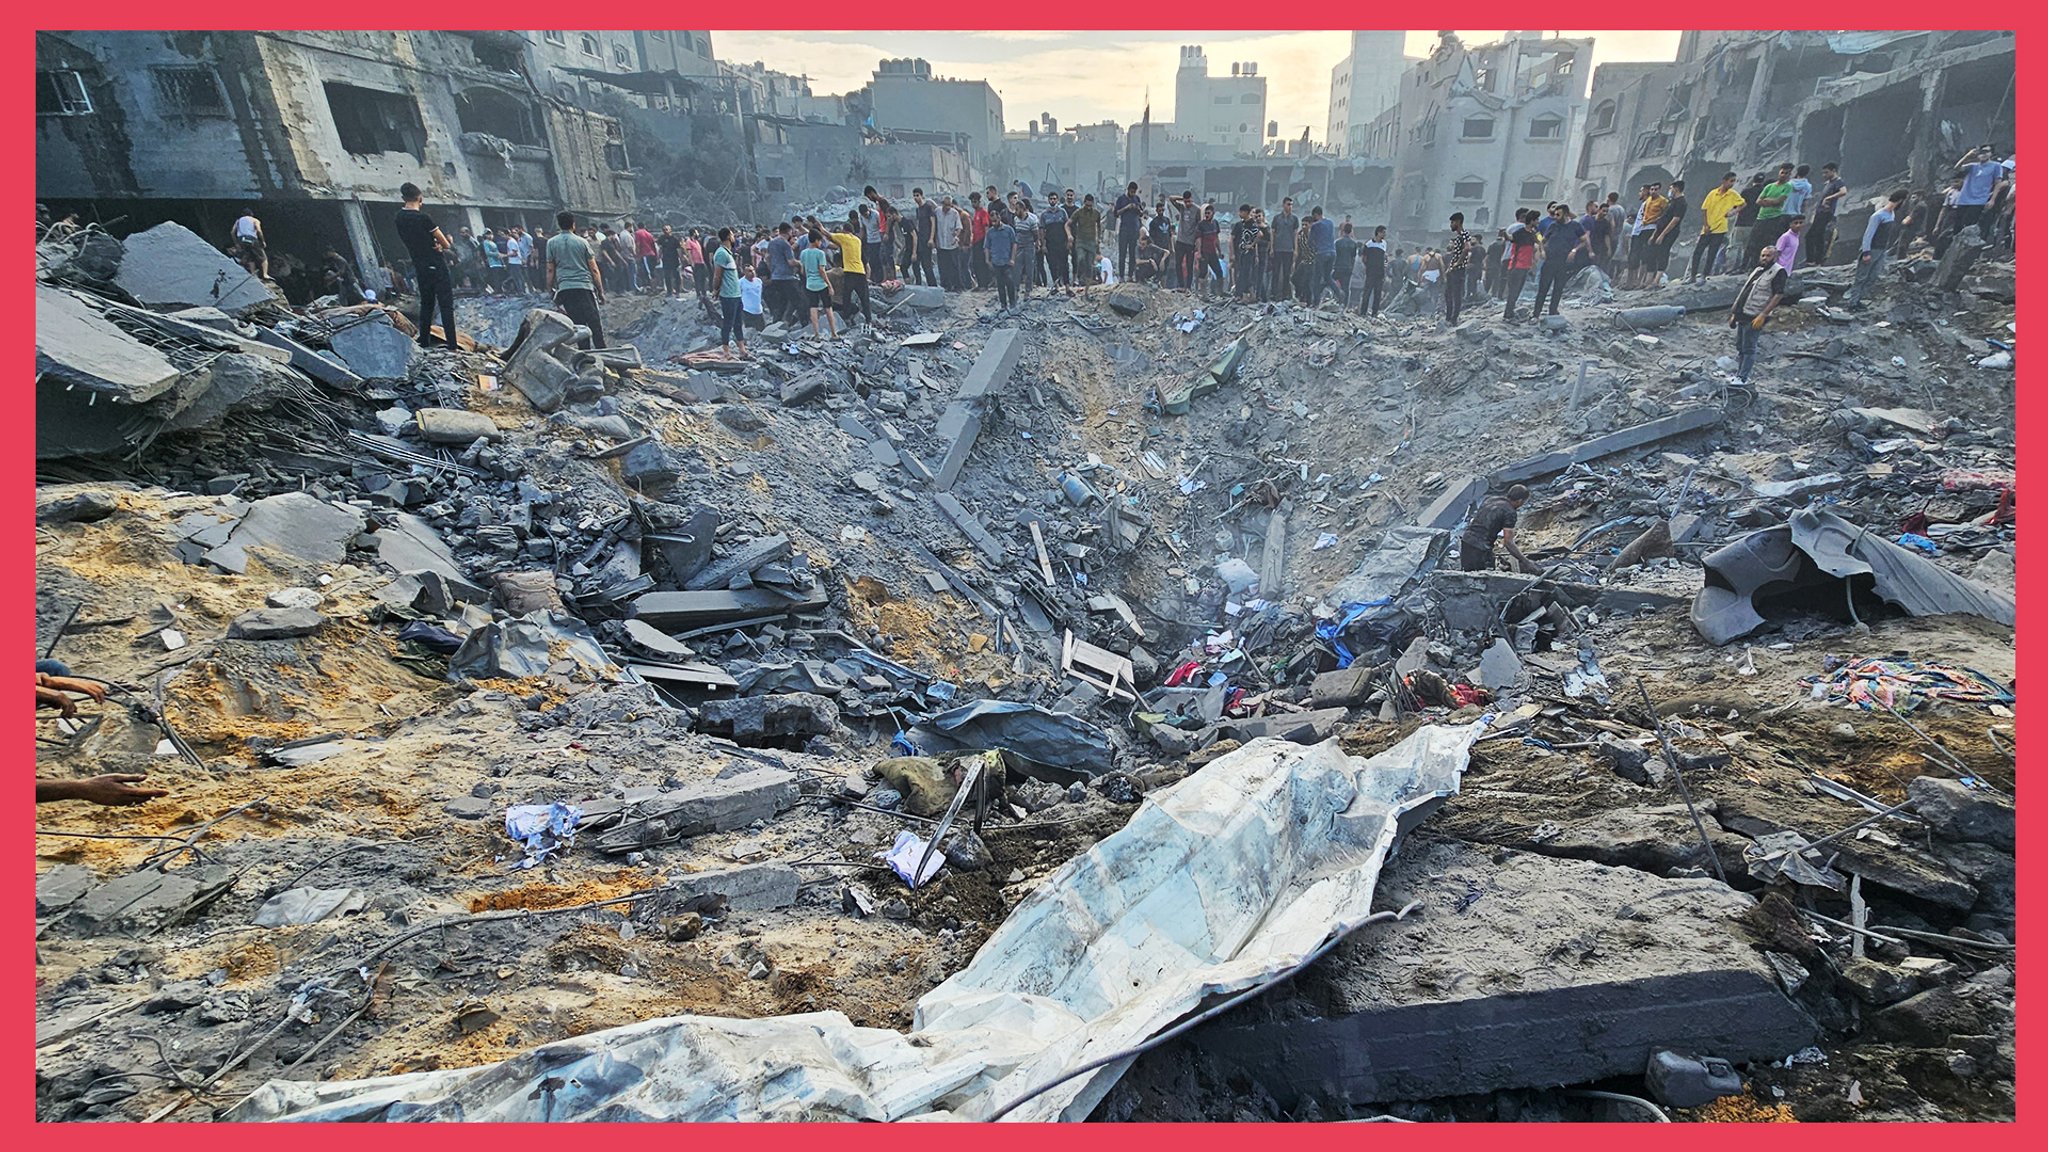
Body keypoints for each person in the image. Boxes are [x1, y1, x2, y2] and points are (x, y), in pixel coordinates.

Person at [395, 183, 457, 350]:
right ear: (420, 198)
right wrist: (439, 245)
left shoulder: (399, 218)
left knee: (426, 303)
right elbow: (445, 244)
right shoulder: (424, 218)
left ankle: (424, 340)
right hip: (436, 263)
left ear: (403, 198)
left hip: (420, 265)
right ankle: (452, 344)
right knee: (446, 304)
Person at [545, 209, 606, 350]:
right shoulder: (582, 242)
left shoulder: (551, 243)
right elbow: (594, 269)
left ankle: (584, 353)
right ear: (573, 224)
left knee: (578, 324)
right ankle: (603, 351)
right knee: (594, 323)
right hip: (584, 287)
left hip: (566, 289)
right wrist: (600, 291)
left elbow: (550, 269)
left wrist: (550, 289)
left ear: (559, 225)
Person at [1730, 245, 1787, 383]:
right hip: (1743, 313)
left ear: (1775, 257)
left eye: (1768, 256)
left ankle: (1743, 377)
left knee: (1749, 348)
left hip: (1755, 315)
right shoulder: (1758, 270)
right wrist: (1734, 313)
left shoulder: (1778, 272)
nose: (1764, 258)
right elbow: (1746, 291)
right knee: (1740, 347)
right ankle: (1738, 374)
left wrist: (1763, 314)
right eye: (1763, 255)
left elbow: (1778, 295)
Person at [1845, 189, 1907, 309]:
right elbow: (1868, 235)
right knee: (1861, 277)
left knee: (1873, 276)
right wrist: (1866, 252)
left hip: (1881, 249)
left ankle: (1859, 300)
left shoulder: (1891, 214)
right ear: (1900, 201)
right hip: (1872, 249)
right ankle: (1852, 303)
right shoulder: (1878, 216)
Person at [1460, 485, 1537, 573]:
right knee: (1481, 578)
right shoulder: (1510, 512)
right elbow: (1508, 542)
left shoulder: (1491, 499)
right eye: (1523, 502)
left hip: (1466, 540)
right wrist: (1525, 561)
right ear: (1519, 501)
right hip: (1480, 548)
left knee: (1467, 575)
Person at [1688, 173, 1744, 284]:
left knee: (1712, 253)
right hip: (1708, 227)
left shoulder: (1733, 194)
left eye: (1734, 181)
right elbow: (1704, 210)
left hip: (1721, 228)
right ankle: (1692, 276)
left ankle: (1704, 275)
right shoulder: (1713, 193)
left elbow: (1742, 204)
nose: (1732, 184)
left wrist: (1733, 212)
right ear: (1724, 181)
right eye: (1731, 181)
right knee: (1698, 252)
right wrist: (1705, 225)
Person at [1535, 204, 1584, 317]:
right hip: (1550, 260)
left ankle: (1553, 311)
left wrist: (1574, 250)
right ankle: (1536, 314)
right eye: (1555, 214)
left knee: (1558, 288)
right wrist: (1542, 250)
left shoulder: (1575, 226)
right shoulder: (1553, 225)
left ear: (1565, 214)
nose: (1556, 216)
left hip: (1564, 261)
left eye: (1558, 214)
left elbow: (1584, 240)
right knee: (1543, 288)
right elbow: (1541, 239)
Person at [709, 226, 747, 357]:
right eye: (732, 235)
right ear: (728, 237)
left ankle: (742, 350)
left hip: (736, 293)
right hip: (728, 294)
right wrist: (716, 289)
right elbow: (717, 275)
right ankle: (726, 351)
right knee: (728, 323)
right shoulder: (721, 253)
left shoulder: (728, 253)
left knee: (738, 323)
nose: (734, 237)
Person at [798, 227, 838, 340]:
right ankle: (834, 333)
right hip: (821, 284)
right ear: (816, 240)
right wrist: (829, 285)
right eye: (820, 241)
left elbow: (802, 270)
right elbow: (822, 270)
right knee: (828, 308)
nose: (821, 243)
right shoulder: (820, 253)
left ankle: (816, 334)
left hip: (810, 284)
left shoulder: (803, 253)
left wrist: (810, 277)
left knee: (813, 308)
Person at [1752, 163, 1796, 263]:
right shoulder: (1769, 186)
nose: (1783, 175)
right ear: (1779, 172)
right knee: (1754, 242)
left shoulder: (1788, 186)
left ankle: (1768, 263)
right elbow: (1758, 201)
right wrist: (1771, 201)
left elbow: (1779, 201)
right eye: (1782, 172)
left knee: (1768, 242)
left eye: (1786, 173)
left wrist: (1767, 201)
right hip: (1761, 217)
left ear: (1789, 175)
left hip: (1774, 217)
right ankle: (1752, 264)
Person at [1649, 180, 1687, 285]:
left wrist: (1662, 235)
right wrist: (1655, 234)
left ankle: (1656, 281)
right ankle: (1650, 279)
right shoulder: (1672, 201)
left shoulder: (1681, 202)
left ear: (1676, 189)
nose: (1669, 190)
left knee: (1663, 253)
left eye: (1671, 188)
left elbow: (1675, 220)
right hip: (1660, 230)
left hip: (1670, 233)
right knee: (1653, 253)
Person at [1502, 210, 1537, 321]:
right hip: (1516, 266)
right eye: (1536, 220)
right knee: (1513, 291)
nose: (1538, 222)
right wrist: (1504, 233)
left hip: (1525, 266)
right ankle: (1508, 314)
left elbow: (1541, 240)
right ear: (1532, 221)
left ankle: (1510, 312)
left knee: (1517, 292)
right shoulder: (1520, 232)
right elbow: (1510, 238)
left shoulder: (1533, 233)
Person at [1809, 162, 1847, 265]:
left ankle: (1817, 260)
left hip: (1826, 213)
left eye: (1826, 172)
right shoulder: (1828, 183)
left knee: (1817, 235)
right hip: (1820, 212)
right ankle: (1814, 259)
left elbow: (1843, 192)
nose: (1824, 175)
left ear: (1834, 171)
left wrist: (1828, 198)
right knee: (1815, 235)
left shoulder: (1838, 181)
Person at [1442, 212, 1474, 325]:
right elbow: (1458, 253)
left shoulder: (1465, 234)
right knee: (1448, 293)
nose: (1451, 225)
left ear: (1458, 222)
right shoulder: (1459, 236)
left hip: (1458, 270)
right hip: (1453, 270)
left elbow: (1467, 248)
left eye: (1452, 222)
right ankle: (1448, 317)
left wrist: (1458, 264)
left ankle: (1453, 319)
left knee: (1456, 294)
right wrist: (1450, 267)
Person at [1267, 196, 1299, 301]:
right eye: (1288, 204)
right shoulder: (1277, 218)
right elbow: (1273, 233)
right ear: (1283, 205)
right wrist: (1272, 247)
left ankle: (1285, 294)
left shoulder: (1294, 219)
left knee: (1286, 273)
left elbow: (1295, 235)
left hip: (1289, 249)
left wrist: (1295, 249)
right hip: (1278, 248)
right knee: (1276, 272)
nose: (1290, 207)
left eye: (1291, 205)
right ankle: (1273, 293)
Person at [986, 209, 1018, 310]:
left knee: (1010, 282)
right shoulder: (990, 232)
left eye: (995, 220)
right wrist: (987, 260)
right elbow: (987, 246)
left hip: (1007, 261)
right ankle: (1003, 305)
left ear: (999, 218)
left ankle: (1012, 303)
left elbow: (1014, 244)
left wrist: (1012, 258)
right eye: (992, 221)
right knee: (1000, 285)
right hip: (996, 261)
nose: (994, 223)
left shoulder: (1008, 230)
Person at [1305, 207, 1337, 306]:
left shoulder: (1315, 225)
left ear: (1316, 214)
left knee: (1316, 279)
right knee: (1328, 277)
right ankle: (1339, 293)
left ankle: (1316, 302)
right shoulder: (1330, 223)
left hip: (1322, 253)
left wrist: (1316, 246)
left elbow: (1310, 242)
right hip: (1332, 252)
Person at [1039, 194, 1071, 293]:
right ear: (1048, 200)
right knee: (1052, 265)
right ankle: (1056, 286)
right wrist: (1043, 245)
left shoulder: (1062, 212)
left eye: (1054, 199)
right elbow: (1041, 230)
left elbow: (1067, 226)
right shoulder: (1044, 214)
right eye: (1051, 199)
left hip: (1061, 243)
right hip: (1050, 244)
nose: (1052, 201)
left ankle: (1067, 287)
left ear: (1057, 200)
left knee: (1064, 265)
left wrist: (1068, 240)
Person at [1114, 182, 1146, 280]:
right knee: (1122, 253)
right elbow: (1116, 213)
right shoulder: (1121, 199)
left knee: (1132, 253)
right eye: (1131, 191)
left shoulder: (1136, 199)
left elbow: (1141, 214)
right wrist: (1126, 207)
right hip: (1124, 229)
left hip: (1134, 229)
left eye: (1134, 192)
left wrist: (1136, 208)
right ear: (1128, 190)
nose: (1133, 193)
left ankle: (1130, 275)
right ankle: (1122, 276)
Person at [1171, 191, 1200, 290]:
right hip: (1180, 240)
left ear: (1192, 199)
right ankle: (1180, 285)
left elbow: (1199, 225)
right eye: (1186, 201)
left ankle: (1188, 286)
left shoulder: (1197, 209)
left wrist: (1197, 241)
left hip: (1190, 241)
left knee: (1189, 265)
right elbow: (1171, 198)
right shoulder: (1182, 207)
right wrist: (1181, 199)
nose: (1187, 204)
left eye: (1189, 201)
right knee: (1178, 263)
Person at [1072, 194, 1102, 287]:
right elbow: (1070, 222)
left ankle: (1087, 282)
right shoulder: (1078, 212)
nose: (1088, 207)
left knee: (1090, 263)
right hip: (1081, 240)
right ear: (1084, 202)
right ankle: (1080, 278)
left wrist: (1098, 238)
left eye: (1090, 205)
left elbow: (1099, 226)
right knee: (1080, 259)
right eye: (1087, 205)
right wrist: (1070, 235)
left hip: (1091, 241)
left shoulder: (1096, 213)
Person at [1194, 203, 1224, 297]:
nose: (1207, 215)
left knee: (1219, 272)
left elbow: (1216, 238)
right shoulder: (1201, 224)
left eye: (1208, 213)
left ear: (1213, 213)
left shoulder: (1215, 223)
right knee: (1203, 272)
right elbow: (1198, 239)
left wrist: (1219, 251)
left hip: (1212, 252)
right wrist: (1199, 252)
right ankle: (1203, 293)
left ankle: (1220, 292)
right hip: (1204, 251)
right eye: (1205, 213)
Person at [1013, 199, 1041, 298]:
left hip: (1029, 245)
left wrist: (1037, 243)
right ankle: (1015, 290)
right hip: (1019, 246)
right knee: (1017, 268)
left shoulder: (1032, 220)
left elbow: (1035, 234)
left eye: (1017, 209)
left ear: (1022, 209)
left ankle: (1028, 290)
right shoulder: (1016, 219)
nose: (1015, 212)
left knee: (1029, 268)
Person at [232, 206, 268, 279]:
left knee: (250, 258)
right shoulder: (255, 220)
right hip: (252, 239)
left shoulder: (238, 220)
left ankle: (253, 275)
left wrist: (236, 243)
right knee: (263, 258)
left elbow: (232, 232)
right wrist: (263, 241)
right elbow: (258, 231)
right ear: (251, 214)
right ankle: (265, 274)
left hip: (241, 239)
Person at [1360, 225, 1388, 317]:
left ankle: (1374, 313)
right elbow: (1364, 258)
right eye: (1383, 232)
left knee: (1378, 293)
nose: (1384, 234)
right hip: (1371, 272)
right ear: (1378, 233)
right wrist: (1368, 267)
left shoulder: (1384, 244)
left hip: (1380, 273)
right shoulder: (1369, 244)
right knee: (1367, 292)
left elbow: (1384, 257)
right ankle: (1363, 312)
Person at [1333, 222, 1360, 308]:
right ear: (1351, 231)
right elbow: (1353, 257)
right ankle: (1344, 305)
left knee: (1335, 285)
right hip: (1348, 268)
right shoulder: (1354, 243)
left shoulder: (1337, 243)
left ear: (1343, 231)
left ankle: (1336, 301)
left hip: (1338, 267)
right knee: (1346, 287)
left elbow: (1335, 255)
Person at [968, 192, 991, 289]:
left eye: (975, 202)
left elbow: (986, 228)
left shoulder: (983, 213)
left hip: (981, 241)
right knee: (976, 264)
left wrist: (986, 243)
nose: (973, 204)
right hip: (976, 241)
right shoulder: (976, 213)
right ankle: (980, 283)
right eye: (972, 202)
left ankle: (984, 284)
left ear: (979, 201)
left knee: (981, 264)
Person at [656, 225, 683, 296]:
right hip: (665, 260)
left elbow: (679, 250)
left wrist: (681, 258)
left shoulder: (675, 239)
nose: (665, 231)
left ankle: (677, 291)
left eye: (667, 229)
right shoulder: (661, 239)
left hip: (674, 260)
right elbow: (660, 249)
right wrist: (658, 258)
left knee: (676, 276)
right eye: (664, 230)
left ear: (670, 230)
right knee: (667, 276)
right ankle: (669, 291)